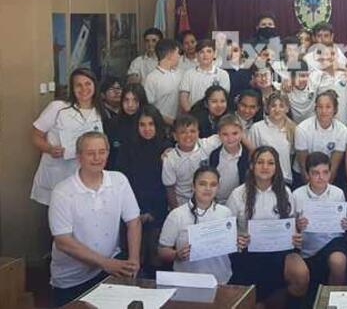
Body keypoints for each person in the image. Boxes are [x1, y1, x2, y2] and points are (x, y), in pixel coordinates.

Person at [48, 132, 141, 306]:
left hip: (109, 271)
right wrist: (105, 263)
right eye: (90, 153)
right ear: (79, 156)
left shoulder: (119, 180)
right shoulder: (62, 192)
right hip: (71, 280)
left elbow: (134, 222)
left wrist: (133, 260)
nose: (97, 158)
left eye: (102, 152)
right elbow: (63, 241)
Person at [227, 147, 309, 306]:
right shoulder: (238, 194)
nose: (265, 167)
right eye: (260, 162)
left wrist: (296, 236)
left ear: (276, 167)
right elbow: (228, 229)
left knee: (301, 273)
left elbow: (291, 226)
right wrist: (236, 238)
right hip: (248, 252)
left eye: (270, 163)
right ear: (252, 166)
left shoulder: (285, 192)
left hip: (280, 251)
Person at [31, 68, 106, 206]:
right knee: (59, 219)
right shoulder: (58, 108)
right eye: (78, 85)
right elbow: (35, 136)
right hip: (58, 174)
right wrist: (49, 149)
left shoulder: (100, 112)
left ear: (95, 85)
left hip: (86, 176)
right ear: (72, 88)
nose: (84, 88)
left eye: (88, 83)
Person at [116, 105, 172, 276]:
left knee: (156, 256)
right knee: (135, 257)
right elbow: (124, 182)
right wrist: (139, 210)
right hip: (133, 209)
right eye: (142, 125)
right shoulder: (127, 148)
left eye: (151, 124)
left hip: (159, 207)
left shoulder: (167, 147)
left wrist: (152, 210)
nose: (147, 129)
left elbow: (165, 185)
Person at [158, 166, 235, 284]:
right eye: (202, 184)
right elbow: (162, 250)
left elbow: (230, 246)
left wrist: (238, 243)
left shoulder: (226, 212)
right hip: (186, 280)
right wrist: (176, 255)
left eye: (213, 184)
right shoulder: (177, 215)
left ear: (218, 187)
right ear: (193, 186)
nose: (208, 188)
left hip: (221, 279)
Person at [292, 152, 347, 286]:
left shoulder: (338, 193)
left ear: (330, 173)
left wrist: (345, 224)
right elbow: (290, 229)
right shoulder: (297, 195)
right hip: (306, 248)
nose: (321, 177)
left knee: (338, 260)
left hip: (333, 242)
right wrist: (297, 225)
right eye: (315, 173)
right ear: (307, 174)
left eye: (325, 172)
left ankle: (335, 300)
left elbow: (341, 226)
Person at [162, 114, 221, 209]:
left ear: (198, 133)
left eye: (193, 131)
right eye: (183, 132)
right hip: (183, 204)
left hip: (207, 201)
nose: (188, 135)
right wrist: (176, 210)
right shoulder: (169, 158)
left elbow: (229, 131)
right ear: (175, 136)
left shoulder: (206, 145)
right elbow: (170, 188)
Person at [295, 91, 347, 185]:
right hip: (303, 175)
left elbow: (334, 166)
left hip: (327, 175)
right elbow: (303, 165)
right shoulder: (302, 129)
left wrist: (325, 188)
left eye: (328, 107)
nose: (324, 111)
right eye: (320, 107)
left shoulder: (342, 130)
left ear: (335, 110)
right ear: (315, 109)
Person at [249, 92, 297, 186]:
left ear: (287, 109)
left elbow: (291, 156)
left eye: (281, 106)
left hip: (284, 179)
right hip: (262, 179)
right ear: (267, 108)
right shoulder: (257, 128)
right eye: (273, 106)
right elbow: (251, 156)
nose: (277, 109)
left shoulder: (293, 129)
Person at [208, 114, 252, 203]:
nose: (230, 138)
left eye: (235, 133)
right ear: (219, 135)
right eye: (225, 134)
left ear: (242, 133)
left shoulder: (247, 156)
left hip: (240, 201)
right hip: (217, 201)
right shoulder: (214, 155)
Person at [179, 39, 231, 113]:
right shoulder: (188, 74)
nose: (205, 55)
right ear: (196, 55)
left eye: (209, 51)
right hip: (194, 115)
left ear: (215, 54)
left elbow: (223, 99)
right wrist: (191, 113)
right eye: (202, 52)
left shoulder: (223, 74)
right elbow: (183, 98)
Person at [104, 84, 148, 170]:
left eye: (135, 100)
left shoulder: (148, 122)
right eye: (126, 100)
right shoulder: (112, 124)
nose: (130, 105)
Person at [144, 38, 182, 126]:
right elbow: (149, 108)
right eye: (177, 53)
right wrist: (170, 121)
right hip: (160, 126)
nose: (179, 57)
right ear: (169, 55)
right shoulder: (152, 78)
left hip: (181, 125)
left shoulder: (181, 73)